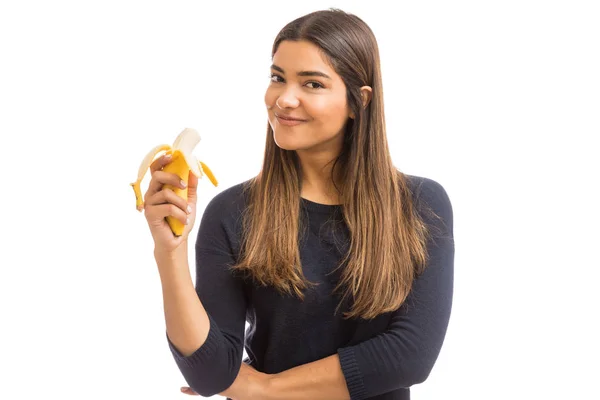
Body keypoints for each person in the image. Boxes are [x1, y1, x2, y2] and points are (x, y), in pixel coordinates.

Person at [142, 8, 454, 400]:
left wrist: (265, 387)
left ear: (359, 101)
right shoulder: (233, 212)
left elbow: (410, 356)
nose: (284, 99)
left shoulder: (421, 205)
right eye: (278, 78)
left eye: (312, 84)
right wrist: (170, 251)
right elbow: (211, 374)